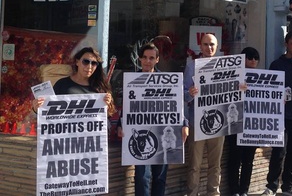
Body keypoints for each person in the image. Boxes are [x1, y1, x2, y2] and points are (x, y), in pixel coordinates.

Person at [117, 42, 189, 196]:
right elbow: (127, 108)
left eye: (151, 58)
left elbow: (176, 106)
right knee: (142, 177)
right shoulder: (132, 80)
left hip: (163, 133)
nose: (147, 61)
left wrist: (184, 124)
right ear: (139, 59)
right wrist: (120, 125)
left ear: (157, 60)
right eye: (144, 57)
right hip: (142, 136)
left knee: (160, 177)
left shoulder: (168, 81)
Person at [261, 31, 292, 196]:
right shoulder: (276, 65)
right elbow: (269, 89)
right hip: (281, 116)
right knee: (279, 152)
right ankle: (271, 186)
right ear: (286, 44)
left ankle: (288, 185)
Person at [184, 33, 225, 196]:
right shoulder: (192, 66)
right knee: (195, 164)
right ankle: (192, 193)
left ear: (217, 47)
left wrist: (240, 88)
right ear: (200, 47)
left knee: (215, 164)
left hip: (218, 121)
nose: (209, 48)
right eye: (206, 44)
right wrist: (190, 93)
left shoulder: (224, 66)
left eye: (212, 44)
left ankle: (213, 193)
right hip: (197, 121)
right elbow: (184, 94)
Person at [32, 46, 116, 115]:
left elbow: (107, 117)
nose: (89, 66)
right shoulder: (62, 84)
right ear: (77, 62)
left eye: (94, 63)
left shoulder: (100, 87)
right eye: (86, 62)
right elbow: (48, 112)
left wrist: (107, 105)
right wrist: (37, 108)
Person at [227, 47, 260, 196]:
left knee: (248, 160)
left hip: (252, 125)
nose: (253, 60)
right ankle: (234, 190)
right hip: (235, 124)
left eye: (256, 58)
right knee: (235, 158)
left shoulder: (262, 76)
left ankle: (244, 190)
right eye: (250, 57)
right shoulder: (233, 75)